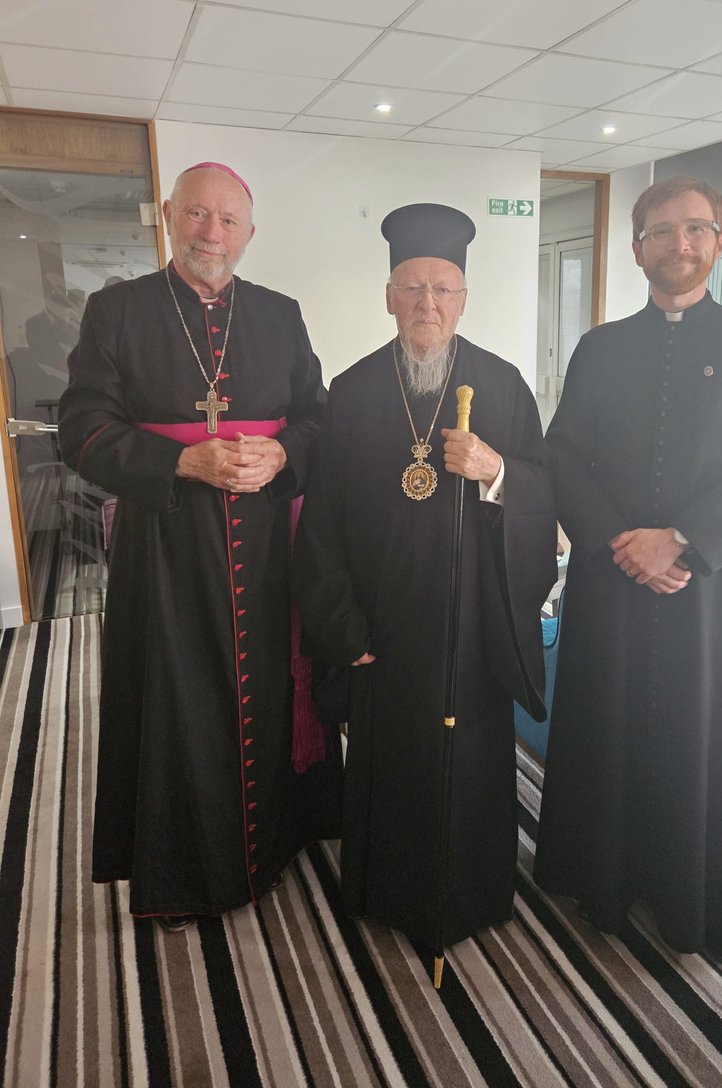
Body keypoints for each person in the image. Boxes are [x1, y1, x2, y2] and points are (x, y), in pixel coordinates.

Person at [58, 162, 342, 929]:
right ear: (171, 218)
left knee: (272, 695)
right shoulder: (116, 310)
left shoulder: (281, 314)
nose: (211, 233)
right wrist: (180, 459)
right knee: (176, 705)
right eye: (196, 215)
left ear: (248, 234)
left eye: (227, 220)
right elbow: (79, 429)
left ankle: (273, 845)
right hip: (166, 548)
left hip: (267, 551)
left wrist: (283, 456)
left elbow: (319, 420)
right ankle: (183, 874)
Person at [533, 176, 722, 960]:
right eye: (660, 232)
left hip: (713, 591)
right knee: (612, 729)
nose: (677, 245)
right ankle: (607, 882)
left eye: (694, 230)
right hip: (615, 585)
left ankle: (704, 902)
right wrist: (622, 543)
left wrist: (680, 540)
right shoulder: (600, 347)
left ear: (718, 240)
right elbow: (562, 456)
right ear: (639, 246)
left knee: (707, 739)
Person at [293, 203, 557, 954]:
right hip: (383, 631)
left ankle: (472, 890)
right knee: (391, 764)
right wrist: (343, 627)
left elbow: (545, 487)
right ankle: (386, 889)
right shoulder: (349, 392)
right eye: (412, 288)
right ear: (389, 297)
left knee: (470, 763)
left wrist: (497, 471)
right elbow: (322, 527)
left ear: (464, 298)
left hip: (471, 628)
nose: (427, 304)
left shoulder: (502, 386)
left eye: (443, 289)